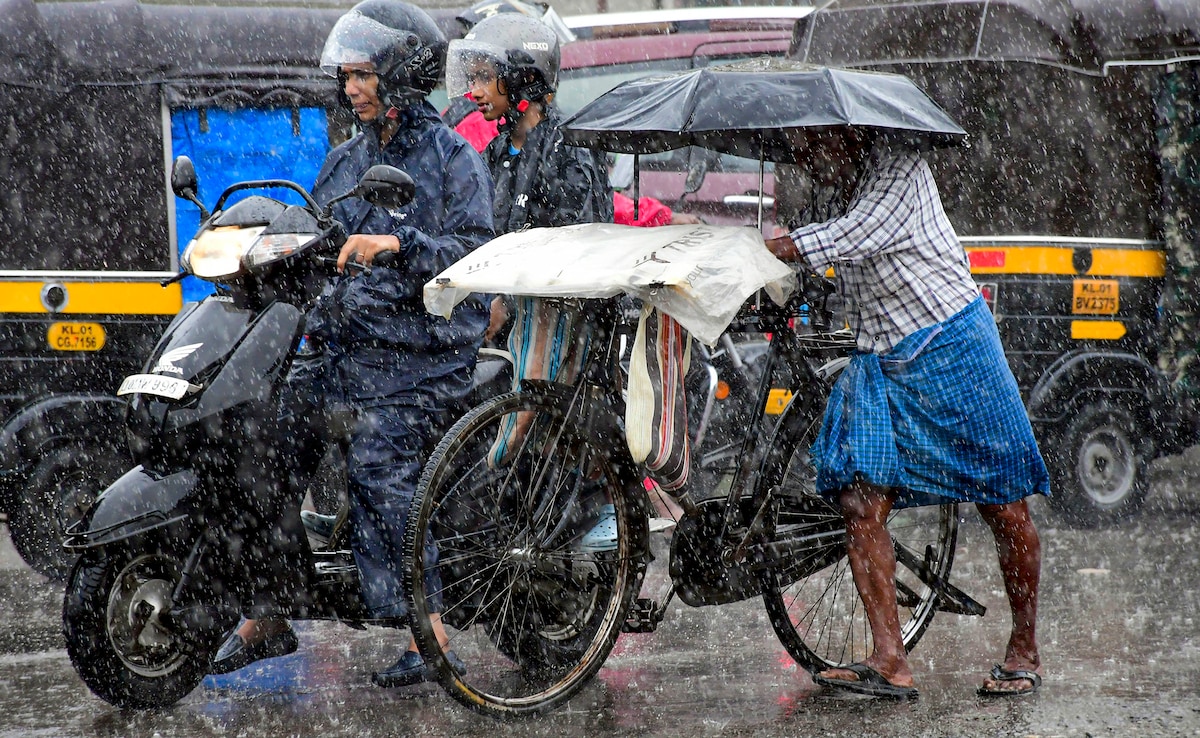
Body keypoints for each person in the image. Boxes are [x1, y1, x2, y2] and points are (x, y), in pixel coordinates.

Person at [209, 0, 495, 690]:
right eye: (347, 77)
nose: (352, 88)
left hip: (420, 357)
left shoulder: (453, 159)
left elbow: (477, 256)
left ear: (400, 77)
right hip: (345, 349)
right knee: (257, 440)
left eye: (364, 75)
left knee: (378, 460)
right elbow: (311, 237)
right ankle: (268, 608)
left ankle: (429, 635)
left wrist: (402, 244)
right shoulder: (343, 162)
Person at [763, 128, 1049, 699]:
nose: (808, 161)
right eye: (799, 150)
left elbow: (856, 235)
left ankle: (1024, 647)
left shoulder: (901, 171)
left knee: (1004, 503)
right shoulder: (833, 189)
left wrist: (780, 248)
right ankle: (890, 659)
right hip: (882, 359)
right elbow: (840, 265)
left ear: (850, 138)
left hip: (954, 345)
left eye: (816, 147)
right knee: (859, 502)